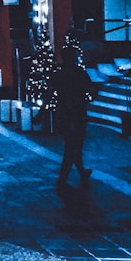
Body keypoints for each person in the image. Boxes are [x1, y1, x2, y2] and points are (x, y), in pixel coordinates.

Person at [43, 43, 96, 191]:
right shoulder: (80, 73)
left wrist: (41, 111)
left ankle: (80, 172)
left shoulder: (58, 73)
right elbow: (90, 90)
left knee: (71, 144)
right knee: (74, 145)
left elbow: (49, 93)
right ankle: (64, 177)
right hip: (78, 111)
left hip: (64, 111)